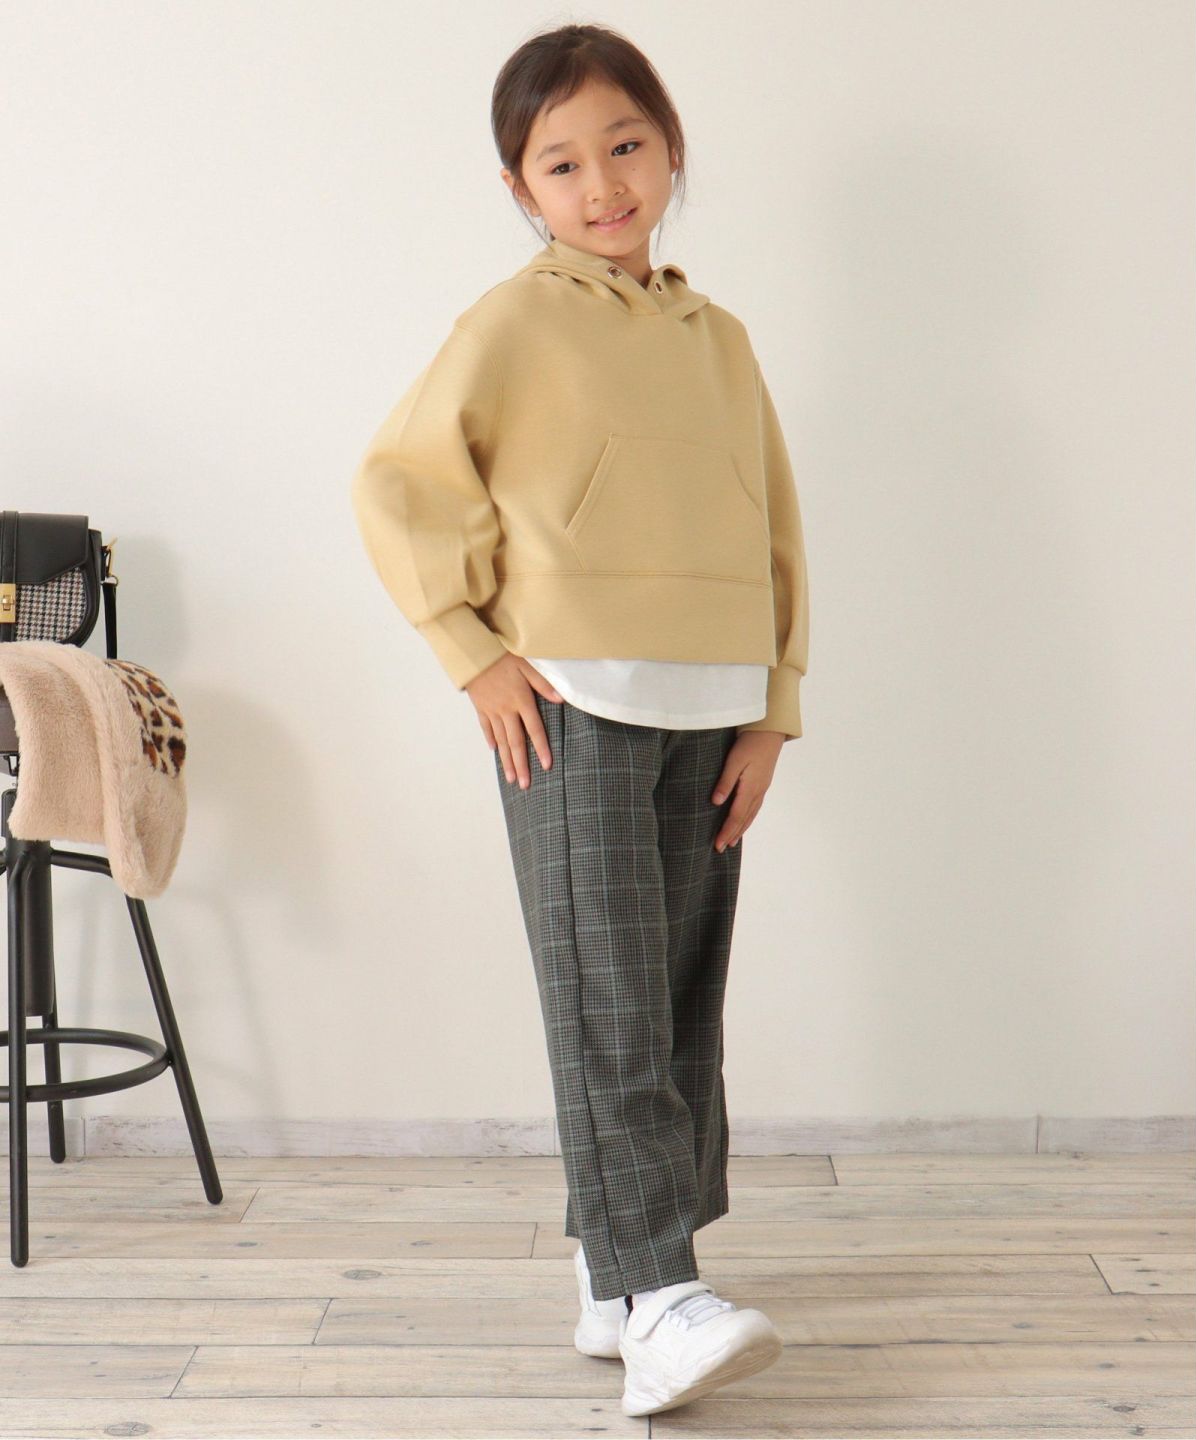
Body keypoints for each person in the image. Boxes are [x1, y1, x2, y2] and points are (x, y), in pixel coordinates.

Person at [350, 21, 809, 1418]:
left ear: (670, 152)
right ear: (520, 187)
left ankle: (620, 1286)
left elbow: (777, 528)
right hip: (572, 707)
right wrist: (471, 652)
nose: (602, 182)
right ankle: (662, 1293)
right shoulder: (510, 324)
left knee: (673, 997)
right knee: (605, 990)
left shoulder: (720, 340)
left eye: (625, 146)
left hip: (711, 706)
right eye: (562, 163)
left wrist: (773, 708)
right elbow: (399, 483)